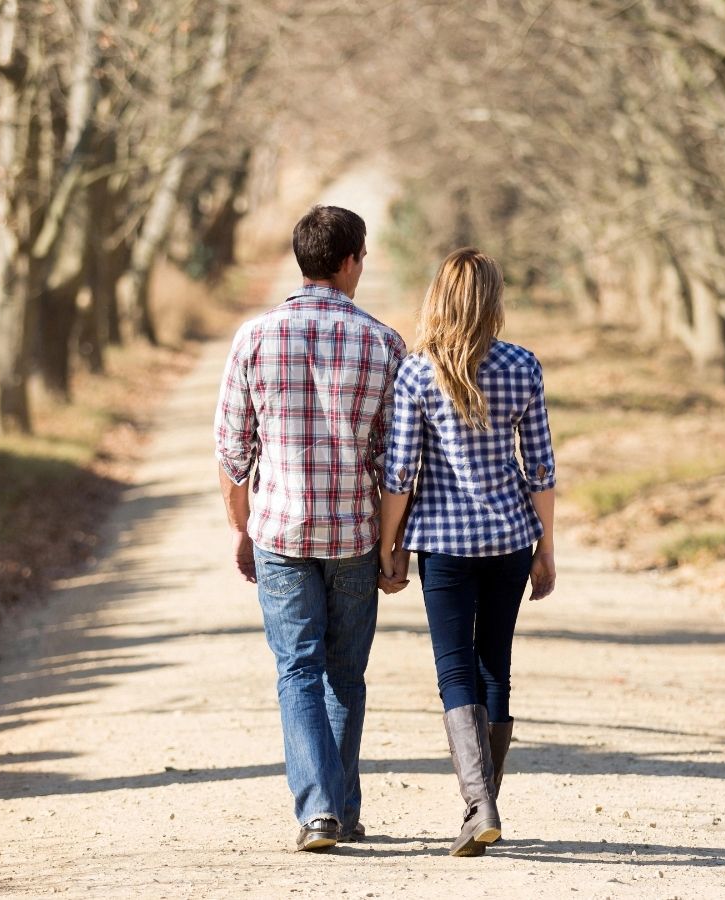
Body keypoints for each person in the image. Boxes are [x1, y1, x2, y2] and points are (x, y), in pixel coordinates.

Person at [214, 205, 407, 852]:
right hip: (354, 534)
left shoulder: (255, 337)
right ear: (351, 261)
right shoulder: (384, 343)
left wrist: (241, 528)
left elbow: (233, 449)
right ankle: (342, 810)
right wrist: (392, 548)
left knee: (297, 669)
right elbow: (394, 460)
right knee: (344, 675)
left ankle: (321, 812)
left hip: (281, 533)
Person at [378, 247, 557, 857]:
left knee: (455, 668)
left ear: (440, 299)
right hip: (509, 538)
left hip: (445, 547)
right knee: (495, 666)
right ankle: (483, 805)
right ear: (493, 300)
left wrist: (389, 544)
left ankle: (481, 806)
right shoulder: (522, 365)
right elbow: (540, 468)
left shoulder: (417, 371)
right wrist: (546, 547)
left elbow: (399, 471)